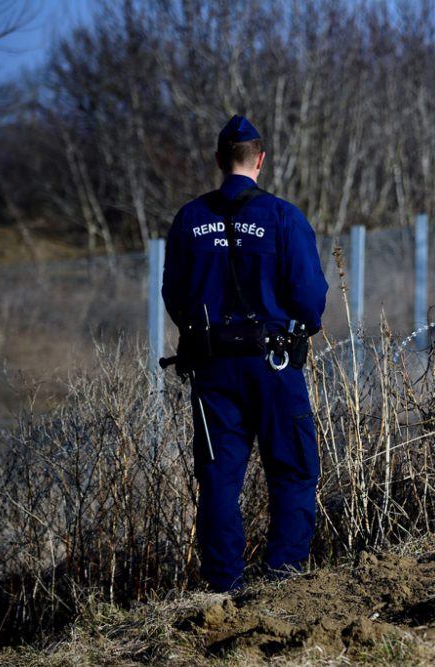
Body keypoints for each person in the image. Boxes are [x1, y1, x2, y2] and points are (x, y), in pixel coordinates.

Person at [162, 115, 329, 592]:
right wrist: (297, 327)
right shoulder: (282, 216)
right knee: (293, 470)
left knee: (218, 476)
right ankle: (284, 577)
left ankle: (223, 586)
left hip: (213, 369)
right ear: (260, 159)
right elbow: (309, 297)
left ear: (219, 161)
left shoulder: (190, 220)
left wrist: (203, 334)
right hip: (274, 365)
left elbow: (174, 293)